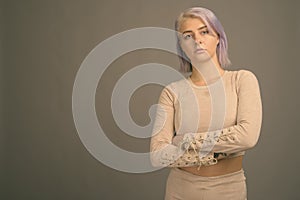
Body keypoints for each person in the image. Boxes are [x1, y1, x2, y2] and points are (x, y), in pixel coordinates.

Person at [150, 7, 262, 200]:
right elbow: (157, 154)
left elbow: (247, 137)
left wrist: (185, 141)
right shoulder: (172, 92)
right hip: (180, 190)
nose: (197, 40)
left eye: (204, 32)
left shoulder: (242, 80)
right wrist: (214, 153)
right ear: (181, 46)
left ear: (218, 37)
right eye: (187, 36)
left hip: (229, 190)